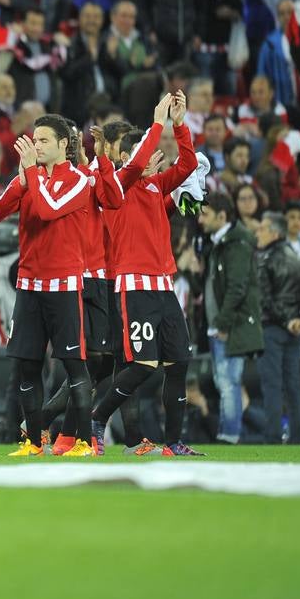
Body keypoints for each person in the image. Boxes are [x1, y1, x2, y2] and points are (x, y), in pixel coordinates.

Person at [90, 92, 204, 455]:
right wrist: (158, 122)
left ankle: (172, 442)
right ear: (127, 156)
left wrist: (180, 123)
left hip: (163, 286)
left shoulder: (154, 185)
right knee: (143, 364)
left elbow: (187, 165)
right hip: (134, 286)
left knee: (179, 362)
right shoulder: (116, 186)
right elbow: (137, 163)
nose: (152, 153)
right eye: (142, 148)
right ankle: (97, 417)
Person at [0, 114, 93, 457]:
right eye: (35, 140)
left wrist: (30, 176)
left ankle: (83, 441)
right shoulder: (29, 179)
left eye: (44, 140)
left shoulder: (79, 180)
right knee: (27, 366)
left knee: (73, 365)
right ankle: (33, 442)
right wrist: (20, 183)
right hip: (29, 285)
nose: (37, 145)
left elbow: (48, 210)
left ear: (64, 144)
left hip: (63, 285)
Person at [198, 191, 263, 445]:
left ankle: (230, 436)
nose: (200, 220)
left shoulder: (237, 243)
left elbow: (237, 288)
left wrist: (222, 323)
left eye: (206, 214)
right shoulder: (219, 243)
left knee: (229, 382)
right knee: (223, 382)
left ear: (222, 216)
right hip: (220, 326)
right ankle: (228, 433)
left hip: (230, 327)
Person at [255, 211, 300, 445]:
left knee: (272, 384)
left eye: (262, 228)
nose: (258, 232)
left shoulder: (264, 259)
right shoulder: (298, 259)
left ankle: (272, 438)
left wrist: (285, 321)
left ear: (275, 233)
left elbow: (265, 300)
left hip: (271, 330)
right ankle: (297, 438)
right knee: (293, 385)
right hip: (295, 332)